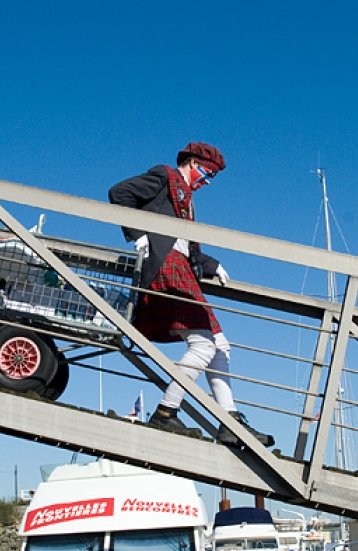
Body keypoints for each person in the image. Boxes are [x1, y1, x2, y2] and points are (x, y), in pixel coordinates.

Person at [108, 142, 274, 448]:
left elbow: (188, 248)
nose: (207, 181)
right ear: (192, 162)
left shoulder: (189, 202)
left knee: (221, 346)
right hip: (166, 267)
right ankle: (166, 411)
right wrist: (138, 233)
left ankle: (229, 420)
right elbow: (120, 193)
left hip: (180, 266)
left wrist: (213, 264)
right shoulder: (164, 175)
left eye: (211, 177)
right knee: (203, 344)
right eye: (206, 173)